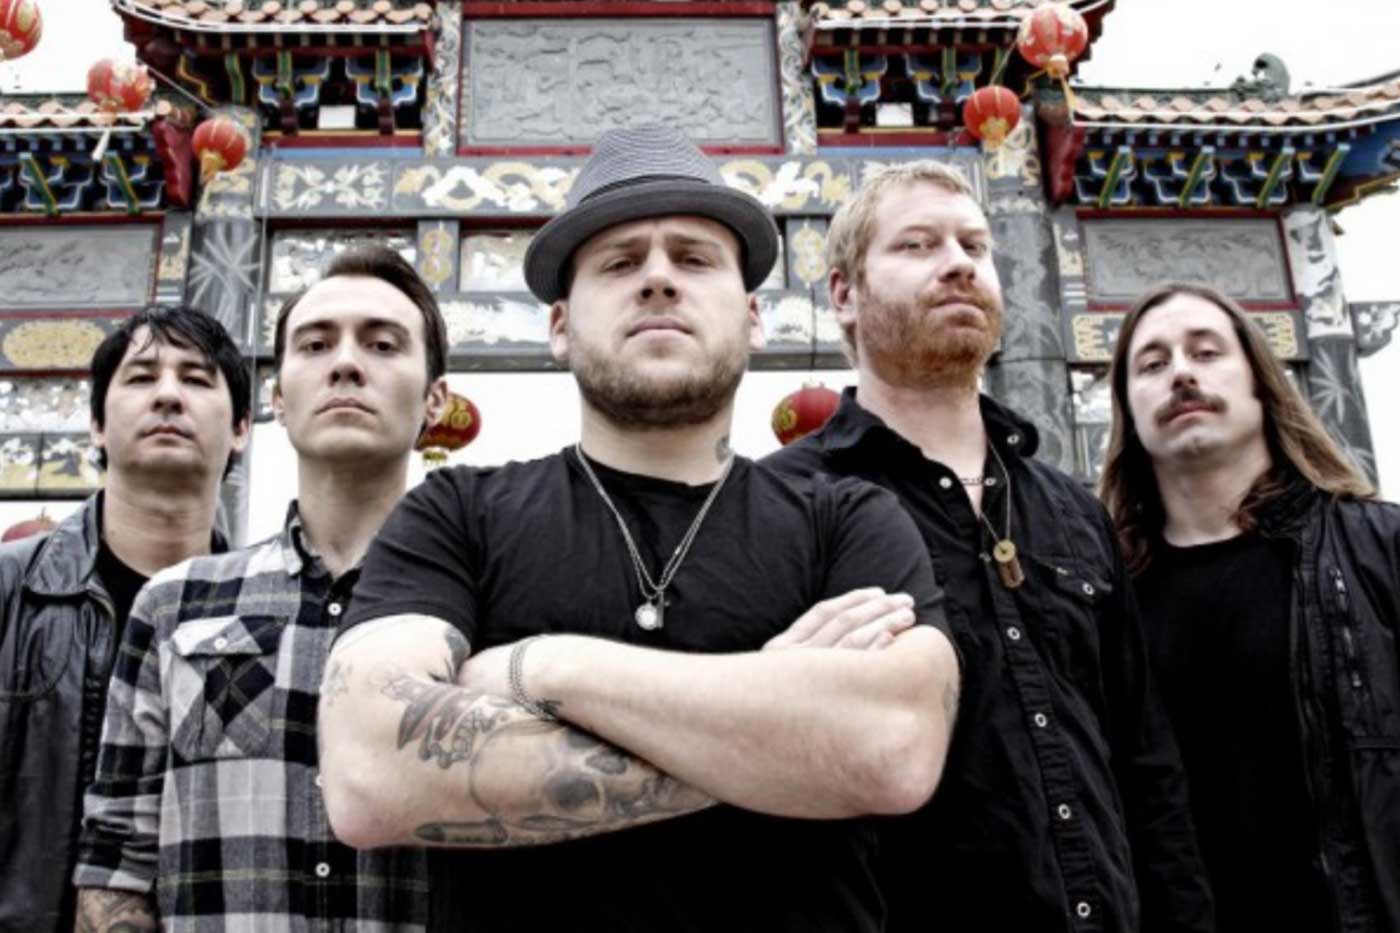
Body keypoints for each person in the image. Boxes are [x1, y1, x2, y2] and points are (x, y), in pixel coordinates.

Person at [319, 126, 961, 933]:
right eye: (620, 263)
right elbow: (369, 770)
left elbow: (895, 746)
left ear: (753, 318)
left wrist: (545, 666)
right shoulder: (457, 514)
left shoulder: (849, 519)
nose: (658, 278)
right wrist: (779, 729)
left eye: (694, 258)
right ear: (559, 325)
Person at [764, 161, 1213, 933]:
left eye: (974, 244)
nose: (958, 263)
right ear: (843, 294)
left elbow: (1146, 764)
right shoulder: (784, 505)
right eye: (917, 245)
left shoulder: (1072, 510)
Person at [72, 247, 443, 931]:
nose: (346, 363)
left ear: (435, 399)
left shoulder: (486, 600)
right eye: (316, 344)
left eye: (382, 344)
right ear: (275, 399)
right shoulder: (175, 604)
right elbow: (118, 857)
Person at [1100, 281, 1399, 933]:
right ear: (1127, 408)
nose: (1181, 373)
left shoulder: (1379, 551)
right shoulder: (1099, 601)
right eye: (1152, 364)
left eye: (1206, 352)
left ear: (1262, 383)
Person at [0, 307, 249, 933]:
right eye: (141, 377)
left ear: (241, 428)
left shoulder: (265, 616)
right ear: (96, 426)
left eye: (196, 378)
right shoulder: (10, 590)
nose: (168, 395)